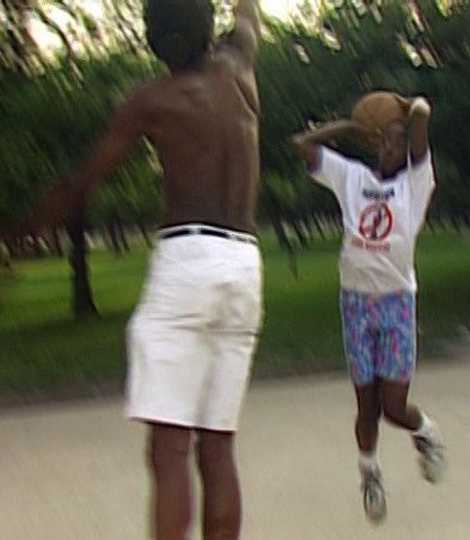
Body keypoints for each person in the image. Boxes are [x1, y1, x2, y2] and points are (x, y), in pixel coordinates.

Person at [31, 0, 263, 538]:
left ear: (153, 39)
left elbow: (84, 180)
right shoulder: (240, 67)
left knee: (169, 450)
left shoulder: (152, 100)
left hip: (188, 262)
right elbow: (249, 15)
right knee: (217, 447)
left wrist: (22, 230)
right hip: (244, 266)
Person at [291, 93, 446, 524]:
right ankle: (370, 473)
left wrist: (405, 105)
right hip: (356, 303)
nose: (390, 146)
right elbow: (300, 144)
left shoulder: (415, 184)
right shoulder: (353, 177)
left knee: (394, 407)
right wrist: (348, 127)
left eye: (398, 140)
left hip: (396, 303)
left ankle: (426, 433)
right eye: (384, 140)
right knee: (367, 407)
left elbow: (421, 114)